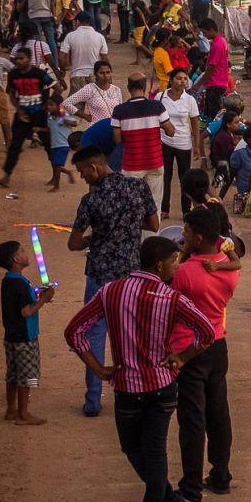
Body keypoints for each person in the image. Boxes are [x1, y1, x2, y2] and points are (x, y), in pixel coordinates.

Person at [64, 236, 215, 502]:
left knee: (134, 448)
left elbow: (74, 331)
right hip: (162, 385)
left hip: (127, 387)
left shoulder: (111, 291)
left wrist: (98, 369)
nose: (178, 265)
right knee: (155, 451)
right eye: (175, 260)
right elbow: (207, 332)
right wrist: (183, 357)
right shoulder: (171, 297)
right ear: (159, 265)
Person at [68, 145, 160, 416]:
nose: (83, 178)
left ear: (94, 168)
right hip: (132, 275)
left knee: (94, 334)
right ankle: (137, 391)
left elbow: (74, 243)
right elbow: (153, 225)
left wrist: (94, 237)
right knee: (132, 335)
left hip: (99, 275)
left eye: (83, 173)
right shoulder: (137, 188)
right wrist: (129, 226)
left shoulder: (91, 201)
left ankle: (93, 400)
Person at [169, 208, 239, 502]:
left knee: (192, 419)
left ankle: (191, 486)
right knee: (218, 412)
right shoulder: (228, 266)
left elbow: (170, 301)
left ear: (198, 239)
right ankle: (221, 476)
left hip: (189, 349)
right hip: (217, 343)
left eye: (185, 234)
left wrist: (183, 256)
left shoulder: (185, 272)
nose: (182, 238)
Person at [0, 240, 51, 426]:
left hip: (11, 336)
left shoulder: (8, 281)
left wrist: (36, 295)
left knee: (12, 374)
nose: (26, 254)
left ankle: (11, 409)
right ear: (17, 259)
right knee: (28, 376)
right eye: (23, 251)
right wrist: (44, 299)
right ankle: (24, 414)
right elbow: (26, 311)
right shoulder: (20, 284)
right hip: (26, 337)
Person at [0, 45, 56, 188]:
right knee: (15, 145)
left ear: (29, 59)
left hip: (39, 115)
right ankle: (6, 177)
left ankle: (55, 177)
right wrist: (19, 109)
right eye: (17, 59)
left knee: (48, 145)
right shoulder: (14, 74)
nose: (18, 61)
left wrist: (47, 104)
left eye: (22, 58)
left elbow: (55, 87)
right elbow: (12, 94)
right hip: (23, 115)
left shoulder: (38, 73)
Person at [112, 72, 174, 205]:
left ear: (128, 88)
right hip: (154, 162)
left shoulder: (118, 111)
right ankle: (153, 226)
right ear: (144, 87)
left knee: (131, 203)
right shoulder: (157, 107)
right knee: (154, 202)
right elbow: (171, 131)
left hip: (132, 164)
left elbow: (117, 140)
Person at [158, 68, 202, 219]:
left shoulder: (190, 100)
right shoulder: (160, 97)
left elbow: (195, 123)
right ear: (171, 80)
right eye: (179, 78)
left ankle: (185, 210)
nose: (182, 81)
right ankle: (164, 209)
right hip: (164, 142)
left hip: (184, 143)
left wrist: (196, 146)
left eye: (185, 78)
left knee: (185, 178)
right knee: (165, 176)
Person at [59, 11, 108, 92]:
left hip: (76, 75)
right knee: (95, 103)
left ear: (77, 21)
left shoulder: (70, 36)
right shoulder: (100, 37)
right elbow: (105, 58)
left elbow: (61, 57)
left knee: (77, 103)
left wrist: (63, 69)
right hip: (94, 75)